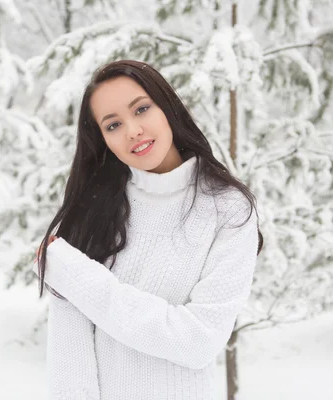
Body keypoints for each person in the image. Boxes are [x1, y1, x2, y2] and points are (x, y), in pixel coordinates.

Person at [33, 59, 264, 400]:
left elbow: (199, 341)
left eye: (141, 109)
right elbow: (70, 365)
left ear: (167, 107)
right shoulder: (92, 213)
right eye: (112, 125)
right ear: (103, 141)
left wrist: (81, 279)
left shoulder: (228, 209)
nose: (132, 131)